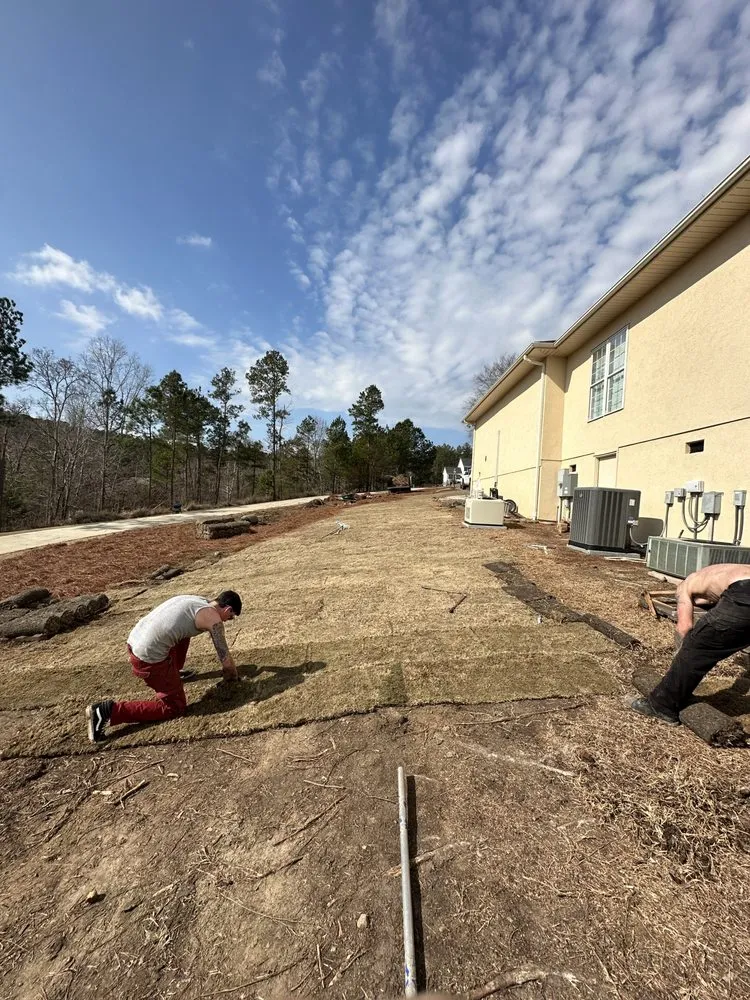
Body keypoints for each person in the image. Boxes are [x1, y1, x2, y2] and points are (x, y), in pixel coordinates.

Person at [86, 590, 242, 742]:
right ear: (228, 609)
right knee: (175, 708)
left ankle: (174, 671)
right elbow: (225, 658)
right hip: (148, 658)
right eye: (231, 616)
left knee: (184, 634)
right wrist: (232, 677)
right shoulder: (213, 619)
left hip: (135, 641)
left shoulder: (198, 601)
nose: (229, 620)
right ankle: (107, 711)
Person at [631, 564, 750, 725]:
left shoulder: (685, 586)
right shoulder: (725, 572)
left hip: (744, 592)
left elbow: (684, 626)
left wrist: (682, 656)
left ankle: (661, 705)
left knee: (698, 644)